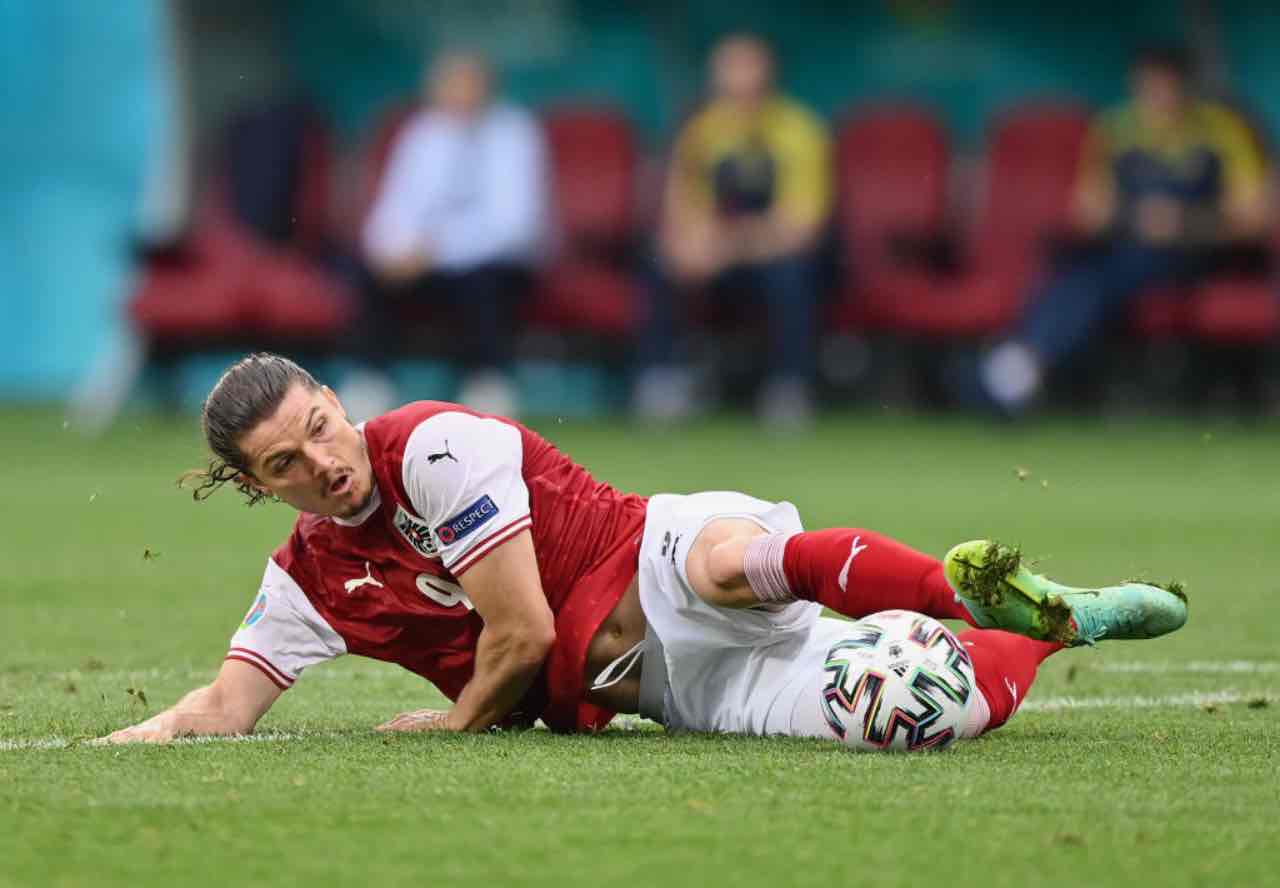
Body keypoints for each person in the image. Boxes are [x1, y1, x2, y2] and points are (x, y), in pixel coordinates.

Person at [100, 353, 1187, 748]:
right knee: (901, 710)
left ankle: (959, 589)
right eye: (285, 463)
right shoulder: (307, 582)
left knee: (736, 562)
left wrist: (457, 722)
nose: (322, 461)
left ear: (338, 401)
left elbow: (522, 634)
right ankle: (1061, 627)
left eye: (319, 427)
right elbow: (226, 705)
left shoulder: (431, 445)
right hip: (676, 688)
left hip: (651, 552)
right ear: (258, 487)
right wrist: (141, 736)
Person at [977, 45, 1272, 414]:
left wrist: (1184, 221)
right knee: (1071, 265)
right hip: (1126, 251)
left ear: (1187, 85)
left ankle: (1020, 362)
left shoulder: (1222, 129)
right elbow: (1089, 212)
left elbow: (1254, 219)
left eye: (1168, 85)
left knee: (1106, 274)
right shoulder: (1115, 128)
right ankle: (1026, 360)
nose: (1160, 95)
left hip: (1198, 254)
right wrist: (1135, 218)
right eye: (1151, 85)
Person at [634, 33, 832, 427]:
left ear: (768, 74)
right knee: (659, 263)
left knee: (791, 274)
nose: (738, 80)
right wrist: (691, 246)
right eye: (729, 69)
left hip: (775, 256)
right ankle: (661, 381)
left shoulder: (800, 129)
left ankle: (789, 386)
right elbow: (683, 213)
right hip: (719, 258)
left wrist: (729, 247)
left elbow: (801, 227)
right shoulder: (701, 131)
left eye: (747, 68)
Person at [356, 50, 549, 418]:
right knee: (370, 271)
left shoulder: (515, 132)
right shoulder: (421, 133)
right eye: (448, 84)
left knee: (481, 280)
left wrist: (432, 251)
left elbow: (514, 226)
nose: (457, 93)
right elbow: (392, 209)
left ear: (487, 87)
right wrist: (390, 252)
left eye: (466, 83)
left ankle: (487, 384)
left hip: (496, 265)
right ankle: (371, 383)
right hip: (423, 265)